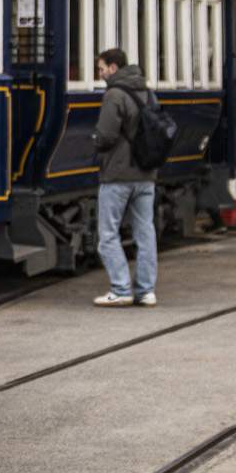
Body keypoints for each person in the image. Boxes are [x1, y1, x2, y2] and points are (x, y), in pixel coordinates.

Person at [90, 47, 159, 308]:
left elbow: (106, 135)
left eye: (101, 69)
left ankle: (120, 288)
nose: (100, 74)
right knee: (145, 232)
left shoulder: (114, 95)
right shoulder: (147, 91)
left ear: (113, 68)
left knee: (108, 234)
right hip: (146, 173)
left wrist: (95, 140)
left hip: (118, 174)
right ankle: (146, 290)